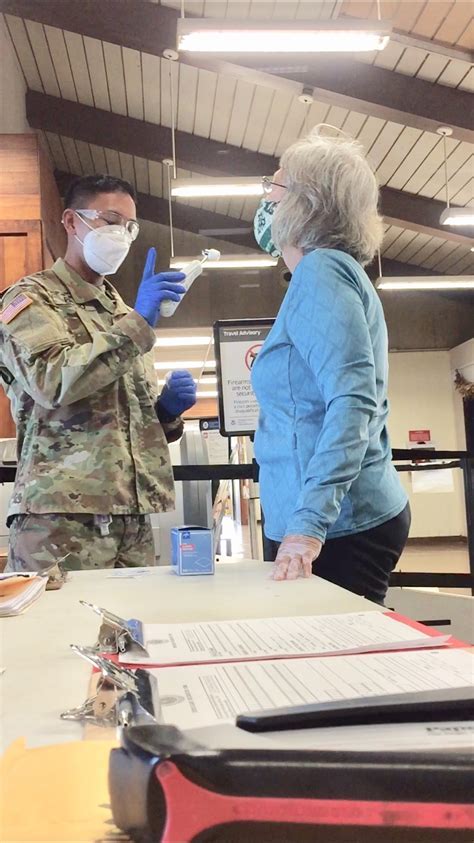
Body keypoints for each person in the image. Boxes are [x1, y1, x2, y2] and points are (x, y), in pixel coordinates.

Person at [0, 174, 196, 571]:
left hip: (132, 518)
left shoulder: (122, 313)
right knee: (55, 631)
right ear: (72, 222)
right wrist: (138, 324)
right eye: (110, 221)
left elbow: (119, 419)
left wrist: (164, 413)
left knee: (133, 632)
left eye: (129, 226)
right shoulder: (30, 300)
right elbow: (51, 381)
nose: (121, 235)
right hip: (59, 520)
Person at [251, 129, 410, 604]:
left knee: (337, 674)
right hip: (329, 517)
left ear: (307, 202)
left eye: (275, 188)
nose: (266, 201)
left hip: (338, 524)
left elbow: (352, 403)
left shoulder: (322, 272)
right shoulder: (318, 277)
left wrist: (307, 526)